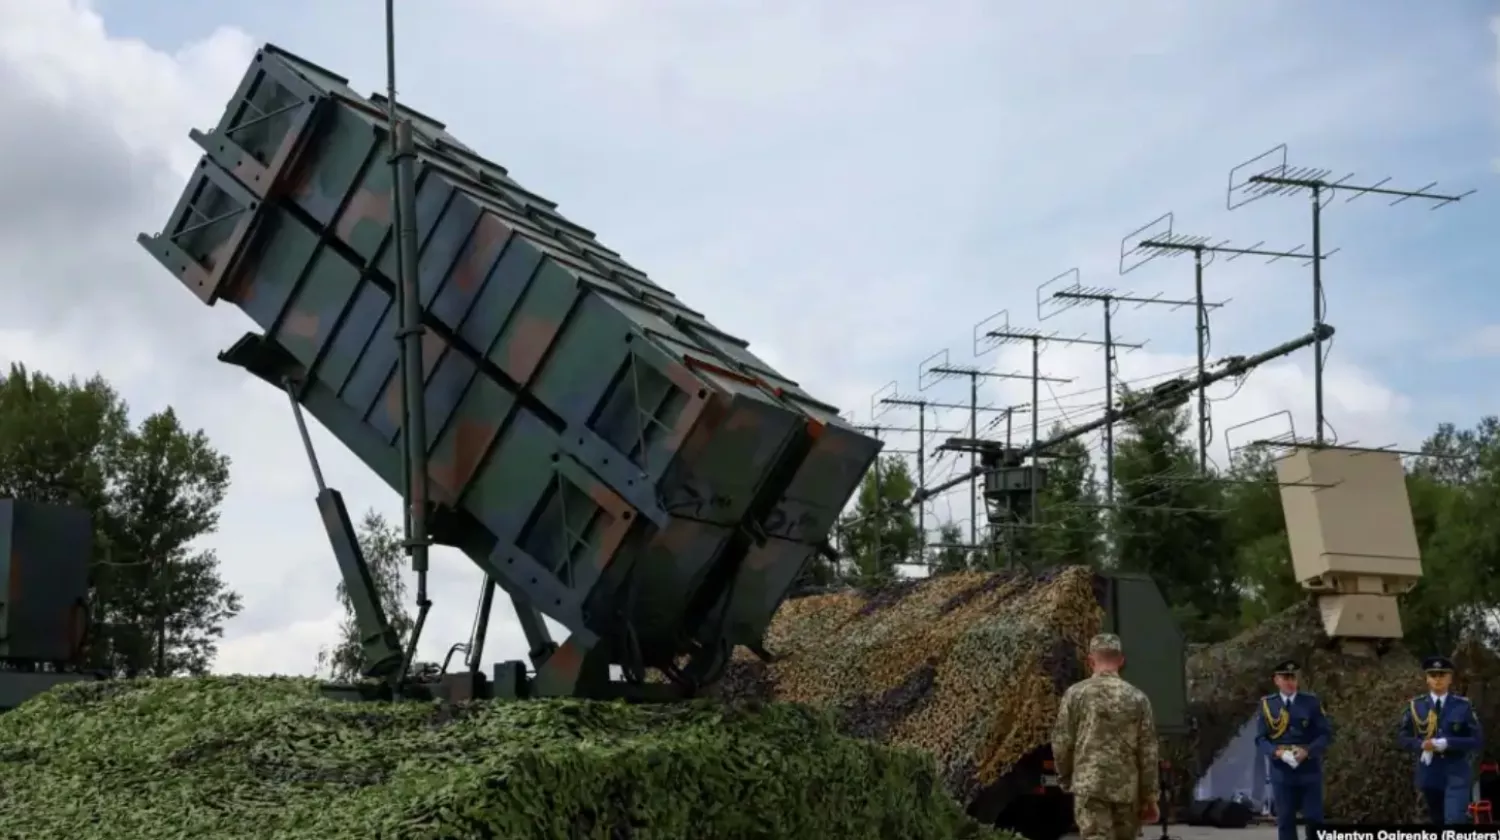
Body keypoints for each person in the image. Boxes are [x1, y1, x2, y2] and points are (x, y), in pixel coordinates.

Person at [1052, 633, 1160, 840]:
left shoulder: (1075, 694)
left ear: (1091, 660)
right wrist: (1150, 797)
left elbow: (1061, 742)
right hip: (1126, 790)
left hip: (1089, 785)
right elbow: (1148, 751)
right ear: (1121, 660)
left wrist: (1066, 778)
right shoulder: (1138, 698)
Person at [1397, 655, 1484, 825]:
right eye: (1433, 676)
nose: (1438, 680)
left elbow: (1477, 740)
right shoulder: (1416, 706)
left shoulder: (1463, 705)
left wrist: (1449, 743)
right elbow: (1402, 737)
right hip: (1430, 774)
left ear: (1450, 678)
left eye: (1442, 675)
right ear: (1427, 679)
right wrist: (1421, 744)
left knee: (1454, 820)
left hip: (1456, 772)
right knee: (1436, 820)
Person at [1254, 660, 1332, 840]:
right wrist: (1277, 752)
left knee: (1314, 818)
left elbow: (1325, 734)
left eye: (1293, 678)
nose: (1290, 682)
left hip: (1308, 769)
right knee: (1286, 819)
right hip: (1282, 770)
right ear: (1276, 680)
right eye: (1285, 678)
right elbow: (1261, 738)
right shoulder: (1268, 705)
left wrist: (1309, 751)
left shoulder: (1311, 703)